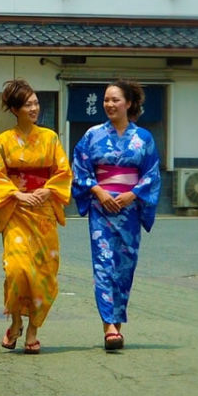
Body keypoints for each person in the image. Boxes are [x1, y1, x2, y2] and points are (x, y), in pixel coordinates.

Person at [0, 79, 72, 354]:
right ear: (15, 109)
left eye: (36, 102)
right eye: (27, 104)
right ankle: (15, 322)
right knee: (17, 269)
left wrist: (47, 191)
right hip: (17, 211)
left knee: (44, 273)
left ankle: (32, 329)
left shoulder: (50, 138)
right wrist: (18, 195)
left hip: (43, 212)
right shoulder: (3, 141)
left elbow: (63, 172)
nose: (34, 108)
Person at [72, 79, 161, 351]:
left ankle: (117, 326)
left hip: (129, 209)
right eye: (106, 100)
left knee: (124, 266)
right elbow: (80, 170)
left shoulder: (143, 138)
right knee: (103, 265)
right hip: (101, 210)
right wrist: (97, 191)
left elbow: (151, 174)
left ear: (129, 104)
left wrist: (132, 195)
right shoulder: (92, 135)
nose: (109, 104)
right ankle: (108, 326)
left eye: (115, 100)